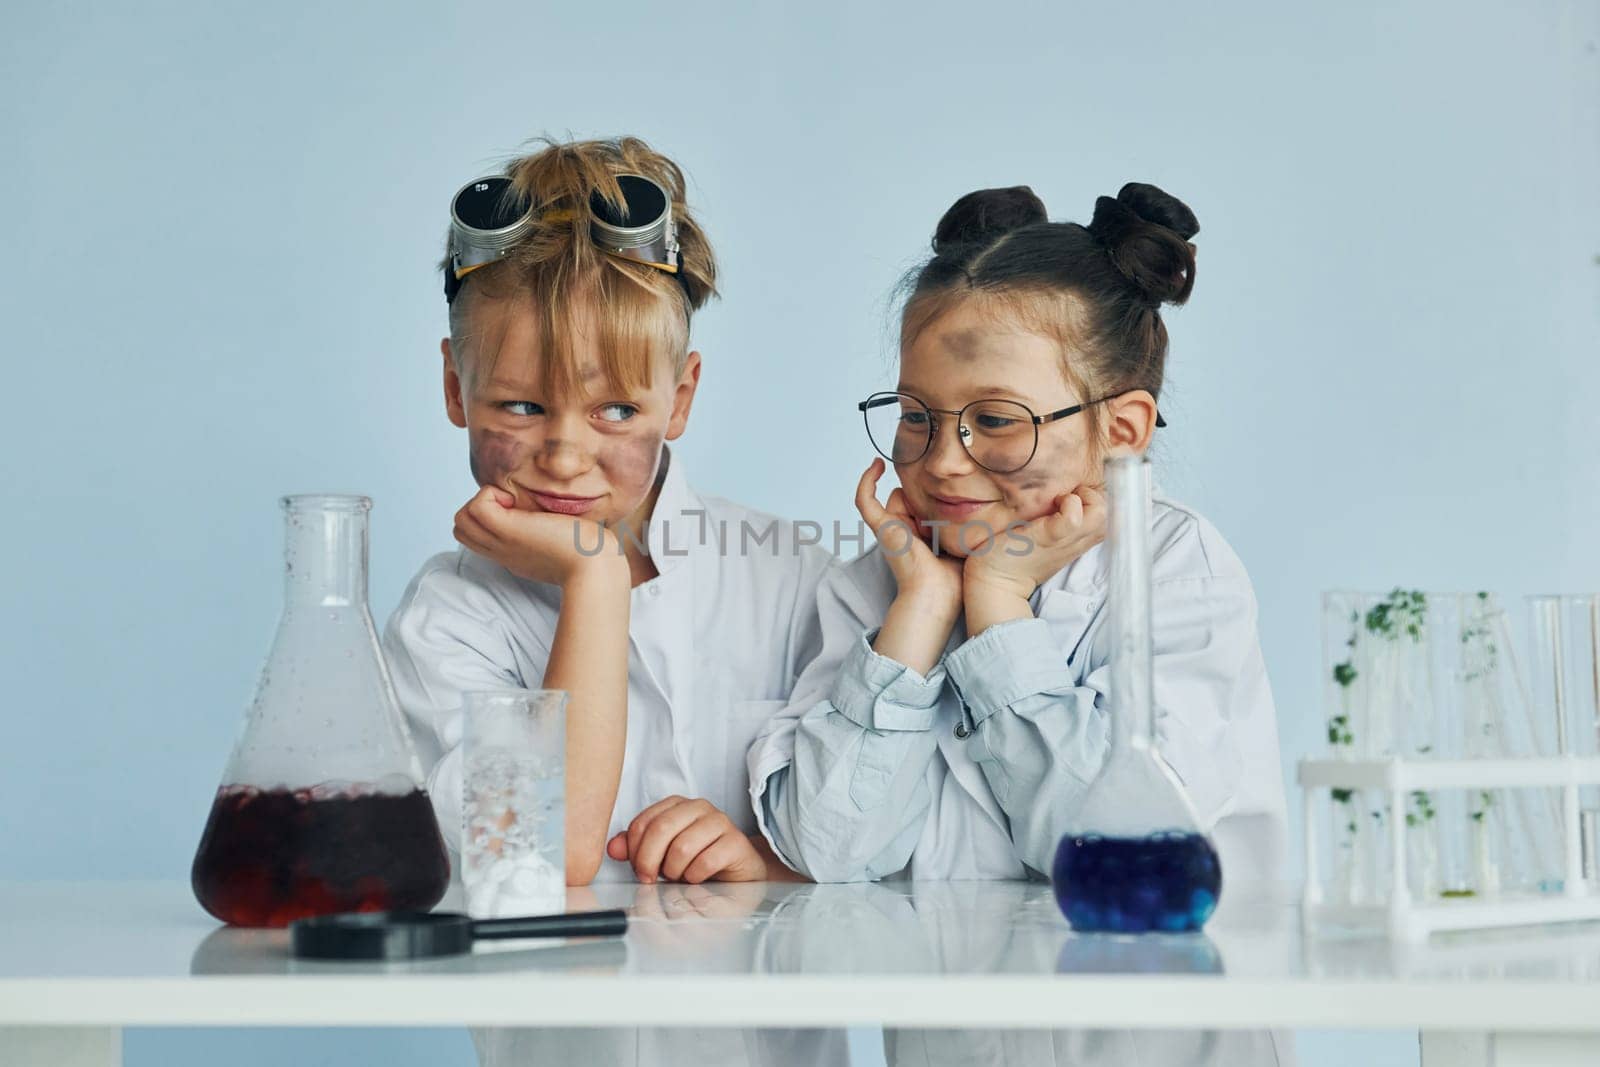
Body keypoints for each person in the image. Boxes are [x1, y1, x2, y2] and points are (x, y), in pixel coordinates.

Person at [382, 135, 842, 1065]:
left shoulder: (793, 577)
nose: (562, 453)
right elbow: (539, 864)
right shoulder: (448, 617)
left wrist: (773, 859)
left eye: (616, 411)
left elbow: (894, 835)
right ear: (452, 386)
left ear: (681, 398)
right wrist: (594, 579)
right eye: (519, 406)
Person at [748, 182, 1288, 892]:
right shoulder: (885, 584)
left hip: (1145, 996)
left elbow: (1118, 844)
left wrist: (999, 604)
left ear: (1121, 431)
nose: (941, 461)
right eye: (916, 415)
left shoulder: (1179, 573)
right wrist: (921, 612)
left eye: (997, 420)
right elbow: (823, 846)